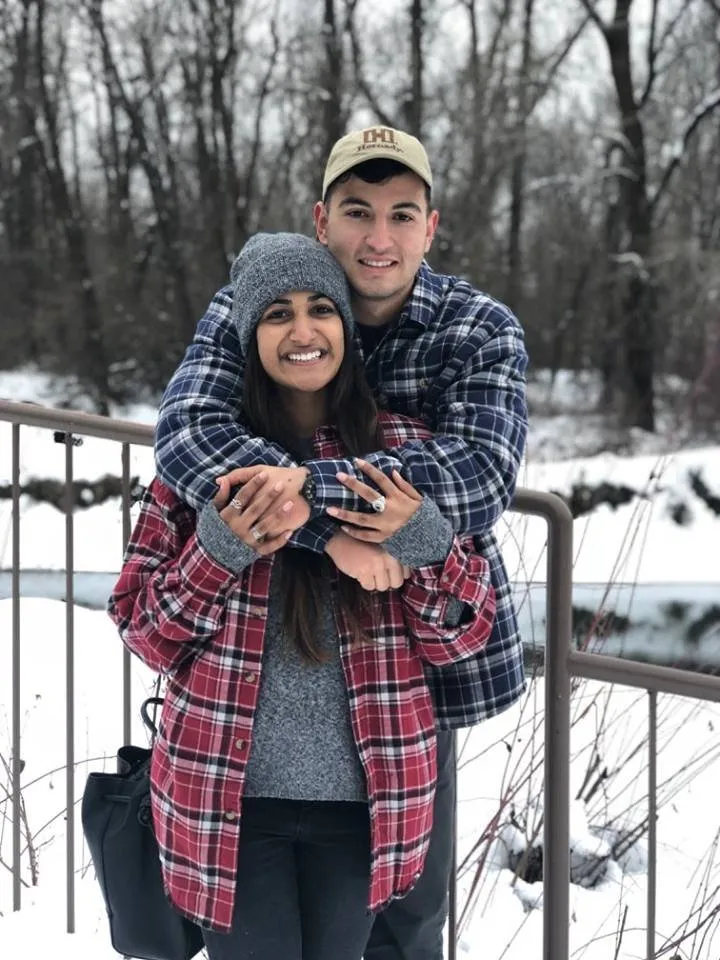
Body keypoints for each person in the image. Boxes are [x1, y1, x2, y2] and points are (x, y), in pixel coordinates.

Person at [154, 127, 529, 960]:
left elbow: (478, 481)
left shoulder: (477, 328)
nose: (380, 238)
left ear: (431, 227)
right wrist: (343, 535)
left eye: (403, 214)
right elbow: (186, 436)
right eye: (358, 213)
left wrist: (305, 502)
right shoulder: (255, 296)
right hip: (272, 698)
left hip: (418, 656)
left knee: (407, 909)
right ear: (323, 221)